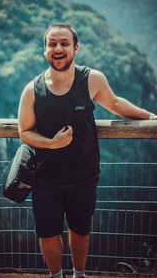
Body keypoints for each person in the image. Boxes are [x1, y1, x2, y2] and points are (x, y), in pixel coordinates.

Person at [18, 23, 157, 278]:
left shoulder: (92, 79)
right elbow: (24, 131)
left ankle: (78, 275)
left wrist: (150, 116)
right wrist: (51, 143)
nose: (58, 48)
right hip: (45, 178)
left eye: (64, 43)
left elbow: (115, 103)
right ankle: (56, 276)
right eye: (52, 44)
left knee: (80, 230)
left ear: (75, 48)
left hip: (84, 175)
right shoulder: (32, 90)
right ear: (45, 49)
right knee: (48, 233)